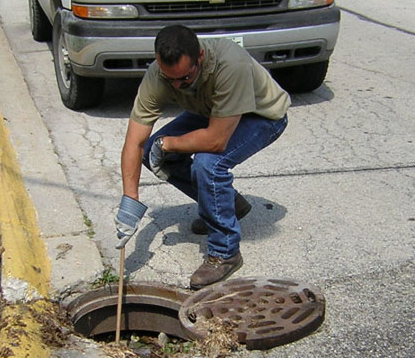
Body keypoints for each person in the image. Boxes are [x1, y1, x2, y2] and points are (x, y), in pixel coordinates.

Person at [114, 25, 290, 290]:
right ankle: (229, 204)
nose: (176, 85)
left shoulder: (230, 64)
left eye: (184, 79)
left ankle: (225, 253)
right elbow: (135, 141)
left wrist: (169, 143)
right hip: (214, 111)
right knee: (152, 152)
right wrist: (130, 201)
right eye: (169, 78)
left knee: (209, 164)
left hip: (261, 115)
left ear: (200, 58)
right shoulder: (158, 76)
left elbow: (216, 141)